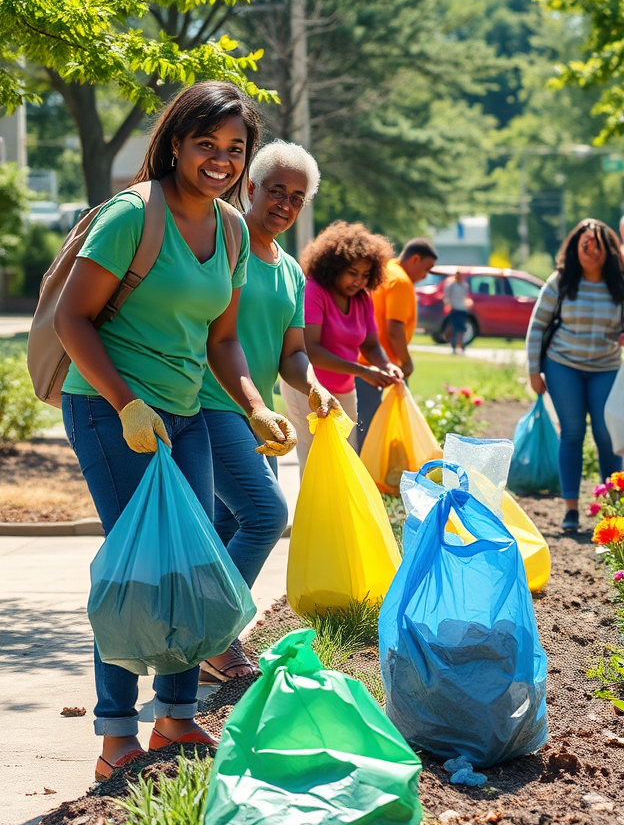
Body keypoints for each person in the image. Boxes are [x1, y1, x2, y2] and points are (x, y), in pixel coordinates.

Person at [53, 81, 296, 781]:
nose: (220, 159)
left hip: (186, 416)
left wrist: (254, 405)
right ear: (178, 143)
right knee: (141, 567)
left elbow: (223, 342)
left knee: (190, 566)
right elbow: (73, 319)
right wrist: (128, 401)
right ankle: (113, 740)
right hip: (110, 411)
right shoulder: (134, 214)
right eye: (206, 144)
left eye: (234, 149)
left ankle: (178, 718)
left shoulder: (232, 230)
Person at [198, 141, 341, 681]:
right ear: (251, 188)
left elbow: (294, 353)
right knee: (265, 515)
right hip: (211, 403)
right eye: (276, 190)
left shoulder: (289, 272)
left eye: (297, 197)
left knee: (225, 524)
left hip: (256, 415)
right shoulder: (221, 243)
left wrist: (314, 388)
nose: (285, 203)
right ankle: (213, 637)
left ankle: (199, 643)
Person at [526, 218, 624, 532]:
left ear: (609, 249)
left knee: (607, 436)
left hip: (605, 369)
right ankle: (570, 510)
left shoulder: (622, 287)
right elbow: (537, 326)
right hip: (562, 366)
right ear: (575, 248)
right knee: (573, 432)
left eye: (598, 246)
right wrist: (533, 371)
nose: (591, 252)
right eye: (585, 246)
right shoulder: (560, 282)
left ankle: (613, 508)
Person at [281, 222, 404, 472]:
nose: (359, 281)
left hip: (344, 390)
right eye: (352, 272)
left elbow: (371, 345)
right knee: (318, 465)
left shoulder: (362, 298)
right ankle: (314, 513)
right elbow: (312, 351)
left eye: (365, 275)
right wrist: (363, 371)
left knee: (347, 464)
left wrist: (386, 365)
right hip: (307, 389)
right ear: (333, 267)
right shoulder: (314, 290)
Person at [354, 237, 438, 450]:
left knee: (366, 425)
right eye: (426, 269)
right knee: (378, 429)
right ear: (415, 259)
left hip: (363, 361)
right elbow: (394, 329)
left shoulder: (387, 269)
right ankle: (374, 477)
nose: (424, 276)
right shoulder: (401, 281)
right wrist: (405, 361)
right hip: (385, 368)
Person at [445, 270, 470, 354]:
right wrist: (448, 305)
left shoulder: (465, 286)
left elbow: (466, 296)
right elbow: (446, 297)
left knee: (462, 328)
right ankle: (454, 346)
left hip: (462, 309)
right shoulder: (451, 285)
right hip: (454, 308)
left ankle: (461, 344)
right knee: (454, 328)